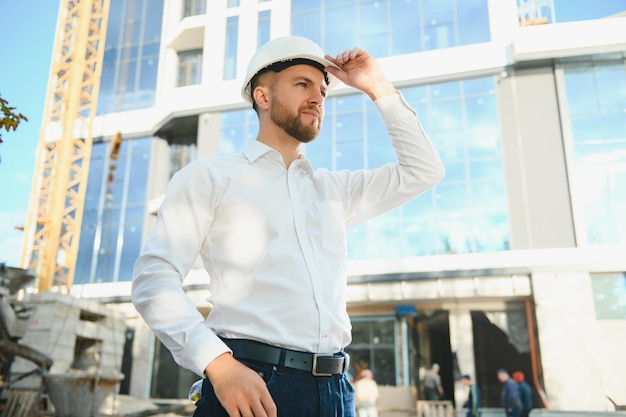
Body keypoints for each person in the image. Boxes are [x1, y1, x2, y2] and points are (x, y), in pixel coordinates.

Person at [131, 35, 444, 417]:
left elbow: (424, 170)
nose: (317, 97)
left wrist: (377, 85)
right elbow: (154, 279)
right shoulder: (209, 177)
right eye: (302, 84)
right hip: (251, 383)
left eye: (322, 90)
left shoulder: (333, 189)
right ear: (262, 97)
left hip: (335, 390)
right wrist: (219, 364)